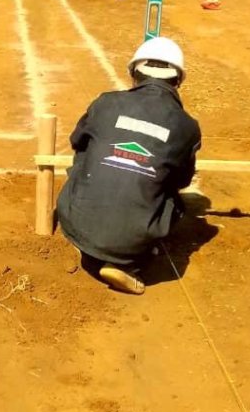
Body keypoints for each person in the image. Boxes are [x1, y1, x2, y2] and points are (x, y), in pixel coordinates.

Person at [56, 37, 201, 295]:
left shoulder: (105, 102)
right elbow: (182, 180)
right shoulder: (187, 126)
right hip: (134, 236)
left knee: (85, 157)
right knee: (175, 202)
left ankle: (90, 234)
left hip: (74, 222)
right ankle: (130, 262)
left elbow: (76, 141)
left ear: (134, 72)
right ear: (178, 80)